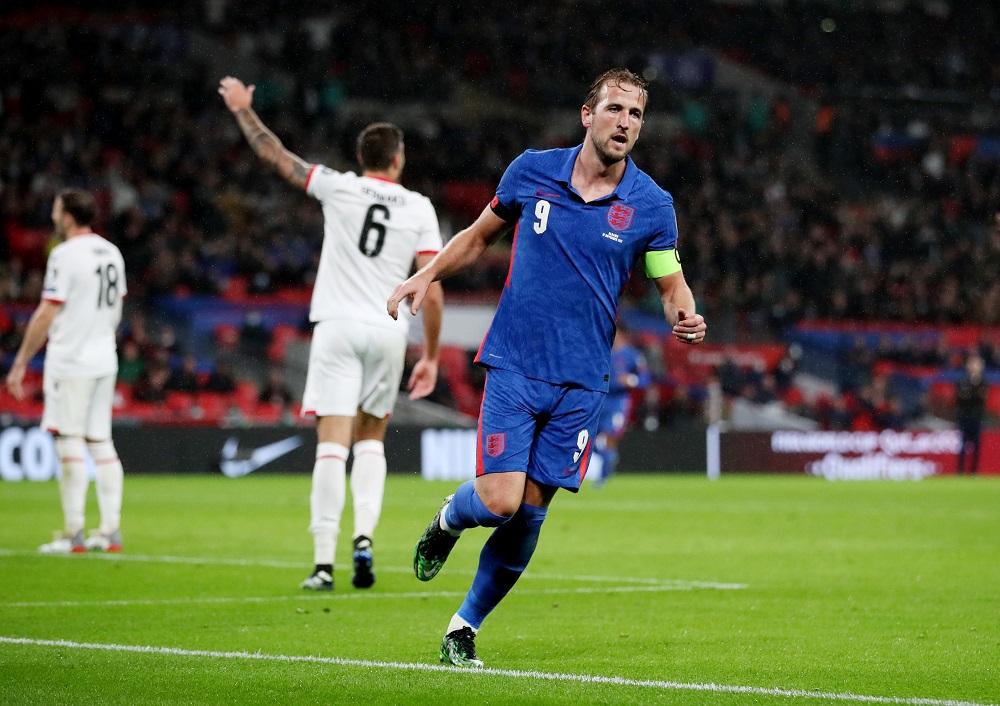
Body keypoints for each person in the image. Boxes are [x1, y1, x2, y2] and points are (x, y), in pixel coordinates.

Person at [387, 68, 706, 667]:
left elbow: (670, 282)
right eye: (615, 109)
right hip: (515, 363)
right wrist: (427, 273)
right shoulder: (531, 170)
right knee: (501, 501)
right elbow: (480, 236)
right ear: (588, 115)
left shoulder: (651, 205)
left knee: (531, 511)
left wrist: (684, 313)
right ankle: (450, 518)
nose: (625, 124)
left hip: (583, 381)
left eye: (636, 115)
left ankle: (463, 628)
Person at [219, 76, 444, 591]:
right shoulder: (417, 207)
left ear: (364, 157)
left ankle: (323, 564)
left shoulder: (338, 185)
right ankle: (363, 538)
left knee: (330, 446)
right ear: (397, 159)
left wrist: (242, 111)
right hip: (388, 329)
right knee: (371, 441)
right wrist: (429, 354)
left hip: (337, 327)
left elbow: (276, 156)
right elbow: (430, 288)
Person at [5, 189, 127, 553]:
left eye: (57, 212)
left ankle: (74, 531)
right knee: (101, 441)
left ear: (69, 217)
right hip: (105, 356)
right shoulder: (112, 252)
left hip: (71, 359)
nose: (53, 219)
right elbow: (116, 308)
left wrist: (21, 360)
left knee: (68, 439)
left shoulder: (64, 255)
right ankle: (109, 530)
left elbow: (46, 312)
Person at [593, 327, 651, 487]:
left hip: (617, 402)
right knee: (593, 442)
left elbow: (645, 378)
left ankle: (603, 478)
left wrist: (632, 379)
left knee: (610, 437)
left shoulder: (631, 354)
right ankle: (608, 457)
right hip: (599, 400)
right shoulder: (601, 352)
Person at [955, 352, 988, 475]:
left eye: (977, 364)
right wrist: (972, 393)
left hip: (977, 418)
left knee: (977, 446)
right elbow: (962, 398)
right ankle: (960, 471)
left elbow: (979, 398)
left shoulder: (984, 382)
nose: (975, 367)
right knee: (963, 446)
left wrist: (970, 393)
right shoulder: (961, 381)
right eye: (973, 364)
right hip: (964, 417)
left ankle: (974, 472)